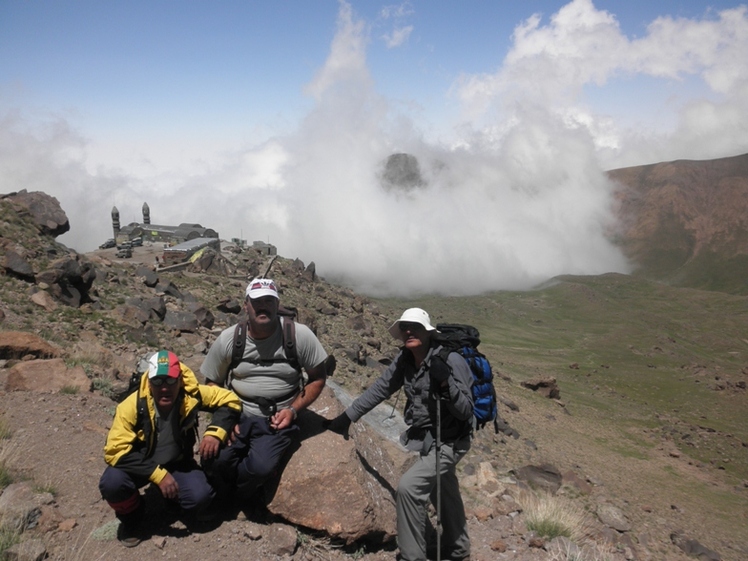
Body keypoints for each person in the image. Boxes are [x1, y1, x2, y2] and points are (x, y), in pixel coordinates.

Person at [326, 308, 474, 561]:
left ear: (427, 332)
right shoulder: (405, 358)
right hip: (428, 440)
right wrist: (348, 417)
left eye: (415, 327)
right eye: (404, 327)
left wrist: (445, 383)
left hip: (451, 440)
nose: (408, 331)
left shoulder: (451, 361)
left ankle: (412, 556)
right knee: (443, 489)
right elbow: (380, 389)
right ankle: (457, 549)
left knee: (408, 488)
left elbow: (466, 410)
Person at [201, 277, 332, 504]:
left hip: (278, 416)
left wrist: (293, 409)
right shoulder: (230, 339)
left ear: (277, 304)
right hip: (238, 411)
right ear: (246, 305)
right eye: (257, 301)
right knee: (215, 459)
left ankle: (239, 499)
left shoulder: (298, 336)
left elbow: (318, 378)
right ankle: (226, 495)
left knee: (260, 467)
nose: (263, 306)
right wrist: (223, 420)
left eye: (269, 301)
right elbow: (212, 382)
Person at [100, 350, 242, 547]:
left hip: (177, 462)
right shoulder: (131, 406)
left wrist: (215, 432)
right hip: (144, 465)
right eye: (157, 381)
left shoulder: (191, 394)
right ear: (149, 382)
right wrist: (158, 475)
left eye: (170, 380)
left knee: (200, 497)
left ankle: (172, 501)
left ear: (180, 380)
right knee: (112, 482)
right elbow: (115, 451)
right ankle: (132, 517)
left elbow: (230, 400)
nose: (164, 388)